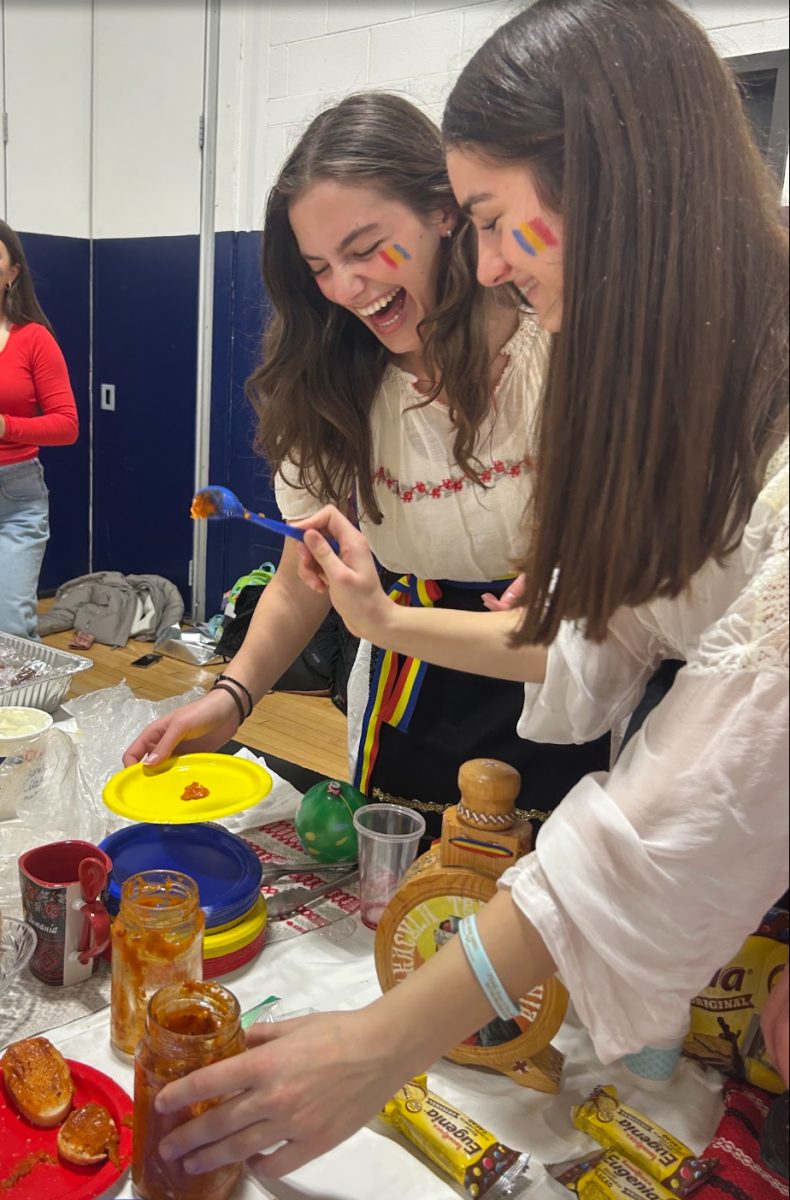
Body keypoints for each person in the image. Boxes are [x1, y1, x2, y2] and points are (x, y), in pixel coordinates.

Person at [152, 0, 788, 1180]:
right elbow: (618, 630)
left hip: (577, 726)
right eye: (317, 268)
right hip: (429, 683)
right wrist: (254, 684)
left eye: (495, 224)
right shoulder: (362, 379)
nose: (497, 267)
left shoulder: (593, 359)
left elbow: (668, 759)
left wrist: (384, 1043)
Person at [123, 92, 609, 837]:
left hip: (572, 689)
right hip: (410, 692)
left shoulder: (561, 347)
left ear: (444, 211)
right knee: (405, 909)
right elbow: (302, 575)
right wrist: (232, 697)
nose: (347, 289)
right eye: (319, 266)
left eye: (365, 248)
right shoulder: (331, 382)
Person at [0, 221, 78, 639]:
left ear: (13, 272)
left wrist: (4, 425)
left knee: (10, 630)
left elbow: (67, 426)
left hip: (17, 497)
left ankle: (22, 707)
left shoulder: (34, 340)